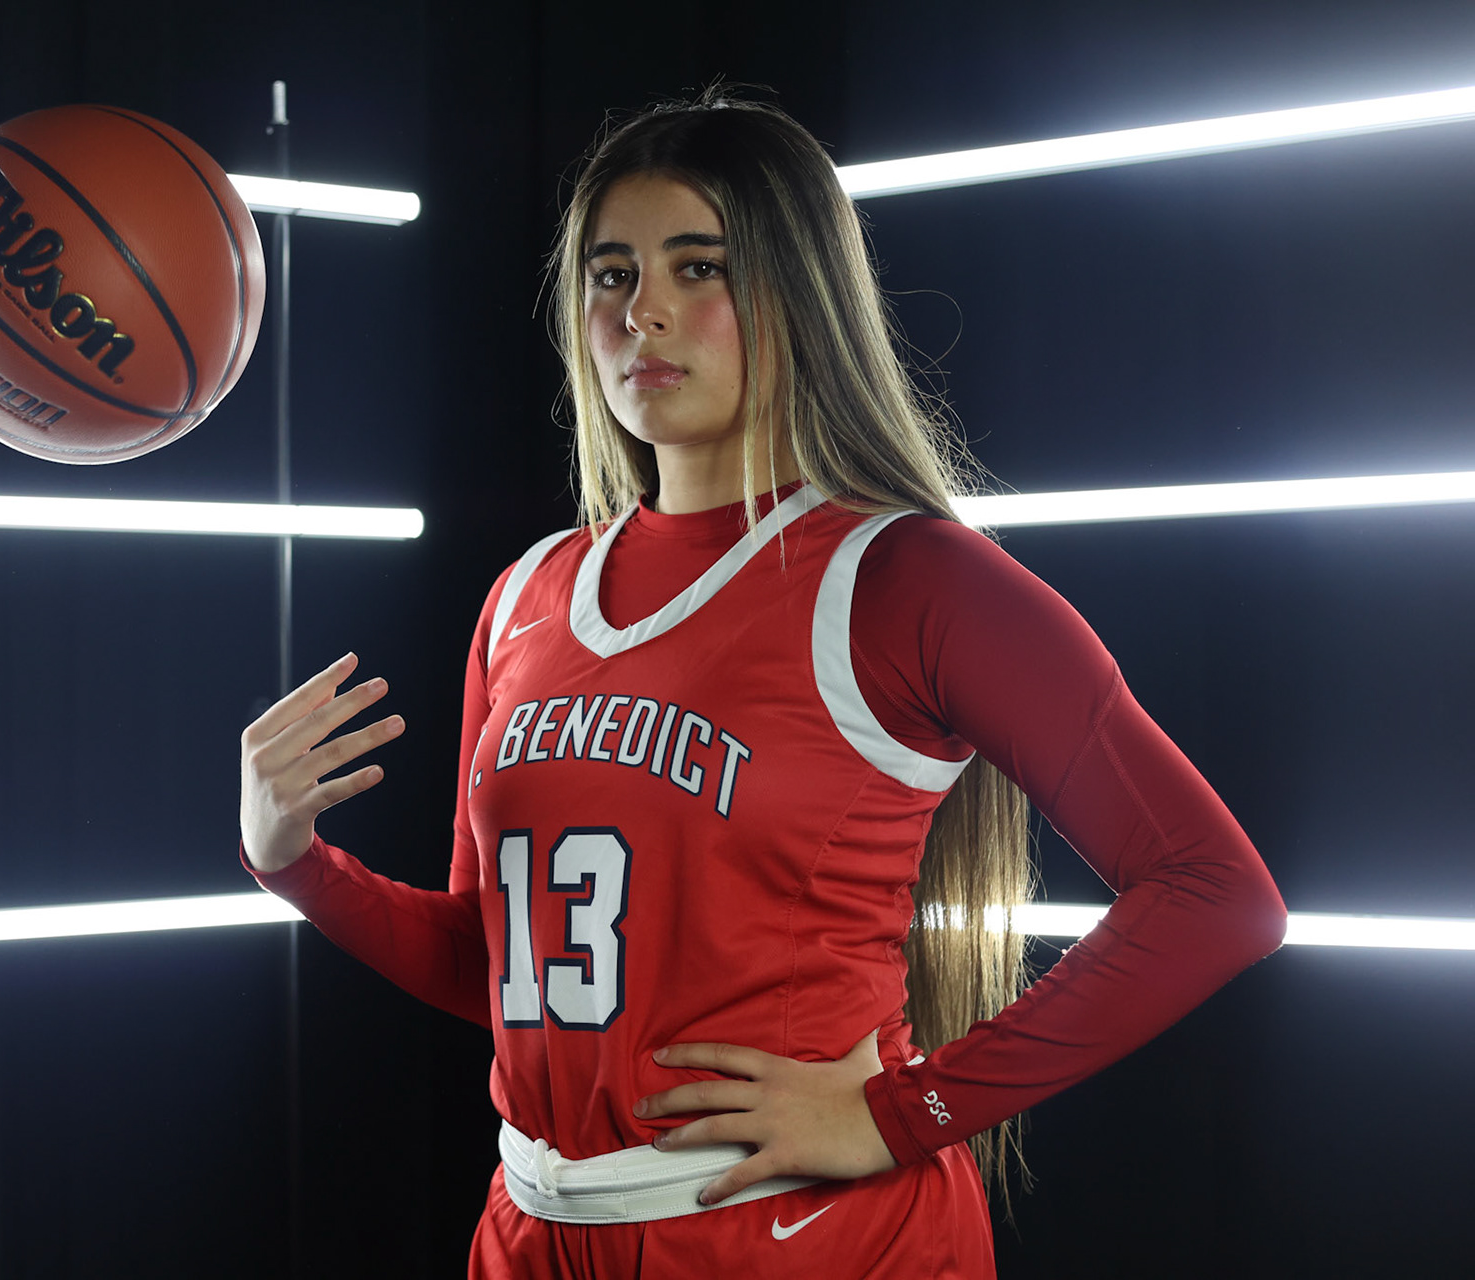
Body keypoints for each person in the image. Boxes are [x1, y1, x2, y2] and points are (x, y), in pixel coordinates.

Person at [238, 88, 1287, 1279]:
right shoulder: (527, 597)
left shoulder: (906, 577)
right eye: (611, 274)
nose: (645, 314)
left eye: (701, 268)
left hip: (803, 1236)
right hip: (531, 1227)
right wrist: (293, 864)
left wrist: (903, 1112)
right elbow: (512, 973)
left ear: (799, 290)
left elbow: (1221, 893)